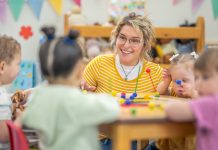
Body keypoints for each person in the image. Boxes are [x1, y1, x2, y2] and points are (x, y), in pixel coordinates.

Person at [15, 27, 120, 150]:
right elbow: (113, 108)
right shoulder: (80, 101)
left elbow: (25, 118)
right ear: (79, 70)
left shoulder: (37, 98)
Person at [81, 12, 163, 150]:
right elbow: (76, 98)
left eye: (135, 40)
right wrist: (79, 89)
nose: (126, 45)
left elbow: (180, 96)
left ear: (145, 44)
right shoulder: (99, 64)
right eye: (122, 38)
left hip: (135, 142)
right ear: (116, 37)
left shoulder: (156, 73)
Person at [166, 48, 218, 150]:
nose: (198, 83)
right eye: (197, 77)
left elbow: (172, 111)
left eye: (206, 77)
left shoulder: (210, 103)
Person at [147, 53, 198, 150]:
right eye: (175, 80)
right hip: (169, 143)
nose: (180, 84)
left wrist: (192, 93)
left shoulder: (200, 94)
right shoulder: (174, 94)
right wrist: (166, 82)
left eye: (185, 80)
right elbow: (160, 92)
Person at [0, 35, 21, 148]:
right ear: (2, 67)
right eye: (18, 64)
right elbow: (5, 136)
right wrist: (20, 119)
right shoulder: (1, 98)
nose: (20, 68)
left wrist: (12, 107)